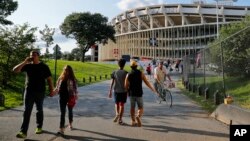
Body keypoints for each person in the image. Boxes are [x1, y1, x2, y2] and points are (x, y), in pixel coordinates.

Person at [13, 50, 54, 139]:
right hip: (29, 92)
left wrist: (51, 90)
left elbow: (49, 79)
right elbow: (15, 70)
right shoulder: (27, 66)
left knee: (39, 110)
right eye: (31, 55)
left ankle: (39, 126)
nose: (33, 56)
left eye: (35, 55)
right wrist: (24, 62)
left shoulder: (44, 66)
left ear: (38, 56)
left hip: (40, 92)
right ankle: (23, 132)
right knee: (27, 111)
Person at [125, 60, 158, 127]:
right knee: (141, 108)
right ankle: (138, 116)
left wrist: (127, 91)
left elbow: (125, 85)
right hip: (139, 93)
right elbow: (146, 82)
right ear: (136, 66)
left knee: (132, 108)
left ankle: (133, 121)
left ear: (131, 67)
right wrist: (152, 89)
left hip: (131, 94)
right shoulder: (141, 73)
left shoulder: (128, 74)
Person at [51, 65, 78, 135]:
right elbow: (57, 87)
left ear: (70, 71)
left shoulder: (72, 79)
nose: (66, 71)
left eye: (67, 70)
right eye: (65, 70)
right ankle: (61, 129)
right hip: (62, 97)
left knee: (70, 111)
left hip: (70, 97)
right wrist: (53, 92)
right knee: (62, 113)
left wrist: (76, 95)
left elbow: (75, 88)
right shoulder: (60, 78)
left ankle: (70, 123)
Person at [108, 59, 128, 125]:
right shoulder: (126, 73)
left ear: (118, 64)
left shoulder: (114, 72)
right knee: (122, 105)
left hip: (116, 91)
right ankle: (120, 119)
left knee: (116, 103)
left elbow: (112, 82)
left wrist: (110, 90)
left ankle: (117, 114)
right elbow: (128, 83)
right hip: (124, 91)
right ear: (124, 65)